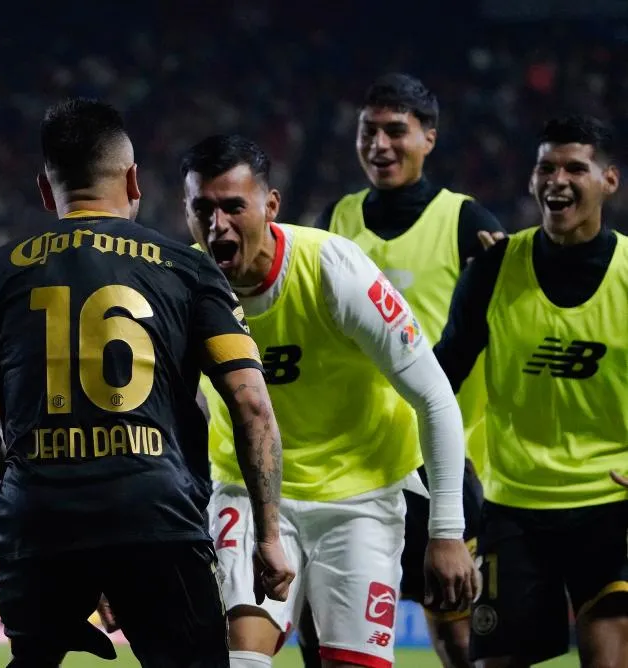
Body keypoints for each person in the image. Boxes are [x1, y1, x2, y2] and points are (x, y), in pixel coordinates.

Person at [0, 98, 294, 668]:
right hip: (155, 515)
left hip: (38, 523)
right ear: (133, 179)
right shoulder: (186, 267)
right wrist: (269, 536)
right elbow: (251, 405)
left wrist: (38, 468)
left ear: (44, 187)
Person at [182, 134, 478, 668]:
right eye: (201, 208)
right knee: (236, 657)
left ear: (271, 206)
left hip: (359, 498)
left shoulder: (332, 270)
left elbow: (434, 396)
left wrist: (446, 532)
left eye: (233, 207)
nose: (215, 225)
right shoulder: (182, 288)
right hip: (249, 491)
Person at [309, 73, 506, 667]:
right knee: (329, 629)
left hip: (438, 462)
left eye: (397, 131)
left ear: (429, 138)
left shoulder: (467, 222)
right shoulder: (336, 218)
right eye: (369, 131)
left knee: (457, 634)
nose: (380, 145)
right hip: (353, 461)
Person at [434, 114, 628, 668]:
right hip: (514, 506)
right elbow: (439, 383)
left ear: (609, 180)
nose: (557, 180)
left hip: (611, 506)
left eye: (575, 167)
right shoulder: (493, 270)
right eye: (546, 166)